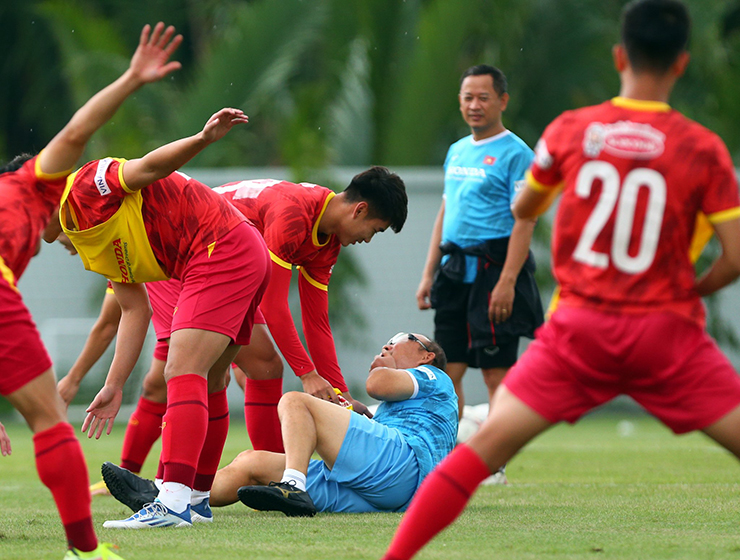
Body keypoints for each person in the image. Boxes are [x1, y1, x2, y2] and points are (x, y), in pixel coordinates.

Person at [381, 1, 740, 558]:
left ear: (620, 55)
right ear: (682, 64)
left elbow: (526, 207)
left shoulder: (571, 131)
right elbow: (735, 257)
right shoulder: (703, 149)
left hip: (581, 331)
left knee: (471, 462)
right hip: (665, 333)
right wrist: (691, 291)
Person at [57, 52, 271, 529]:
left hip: (220, 246)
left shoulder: (83, 189)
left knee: (182, 368)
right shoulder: (83, 241)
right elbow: (133, 312)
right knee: (210, 380)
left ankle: (170, 501)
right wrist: (113, 386)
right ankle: (194, 499)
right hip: (235, 249)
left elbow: (147, 168)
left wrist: (200, 139)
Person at [0, 21, 183, 559]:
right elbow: (77, 131)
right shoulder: (33, 184)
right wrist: (130, 79)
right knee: (49, 425)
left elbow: (125, 310)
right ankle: (84, 551)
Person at [100, 332, 458, 516]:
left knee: (294, 400)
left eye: (397, 342)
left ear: (426, 355)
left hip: (403, 467)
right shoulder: (416, 400)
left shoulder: (433, 374)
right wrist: (357, 415)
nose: (385, 347)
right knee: (250, 463)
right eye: (384, 345)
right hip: (390, 493)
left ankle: (293, 485)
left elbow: (377, 383)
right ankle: (166, 496)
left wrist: (374, 378)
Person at [415, 64, 543, 429]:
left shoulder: (517, 154)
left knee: (495, 375)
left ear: (502, 101)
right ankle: (447, 456)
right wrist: (428, 273)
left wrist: (507, 281)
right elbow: (446, 210)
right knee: (446, 372)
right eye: (468, 97)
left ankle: (496, 464)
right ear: (459, 102)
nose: (475, 105)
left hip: (494, 271)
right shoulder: (456, 151)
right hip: (454, 271)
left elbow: (526, 219)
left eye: (483, 97)